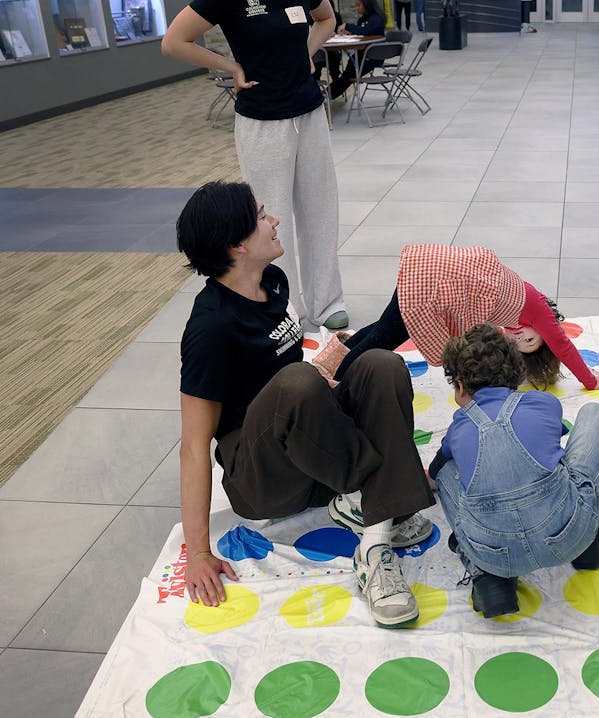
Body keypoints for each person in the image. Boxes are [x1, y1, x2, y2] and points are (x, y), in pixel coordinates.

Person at [175, 182, 435, 629]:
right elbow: (194, 446)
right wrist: (198, 552)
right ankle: (380, 503)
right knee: (298, 381)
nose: (274, 220)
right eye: (262, 216)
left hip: (315, 457)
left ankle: (372, 533)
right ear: (237, 245)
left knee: (381, 365)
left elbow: (297, 373)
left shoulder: (273, 281)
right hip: (264, 478)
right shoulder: (210, 327)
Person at [162, 0, 350, 336]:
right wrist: (231, 67)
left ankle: (327, 302)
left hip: (309, 112)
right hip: (262, 121)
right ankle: (285, 306)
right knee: (271, 220)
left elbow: (326, 18)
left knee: (320, 209)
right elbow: (174, 42)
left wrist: (306, 51)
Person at [428, 325, 599, 617]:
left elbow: (436, 471)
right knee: (598, 415)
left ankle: (487, 578)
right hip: (569, 536)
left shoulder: (458, 428)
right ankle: (590, 534)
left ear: (459, 385)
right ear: (517, 373)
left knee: (446, 472)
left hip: (495, 557)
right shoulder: (545, 403)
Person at [335, 243, 599, 391]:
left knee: (389, 328)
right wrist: (590, 381)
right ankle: (335, 383)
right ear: (545, 333)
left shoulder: (514, 318)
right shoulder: (540, 312)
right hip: (434, 280)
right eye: (531, 340)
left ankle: (333, 359)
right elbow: (563, 346)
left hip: (433, 275)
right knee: (383, 338)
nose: (521, 337)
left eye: (520, 344)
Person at [329, 0, 387, 100]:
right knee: (347, 75)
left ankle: (326, 95)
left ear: (366, 4)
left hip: (372, 57)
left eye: (358, 5)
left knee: (348, 76)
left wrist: (348, 26)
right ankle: (326, 94)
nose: (356, 8)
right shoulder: (362, 19)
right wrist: (351, 33)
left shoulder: (377, 19)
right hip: (360, 56)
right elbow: (361, 32)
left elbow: (367, 31)